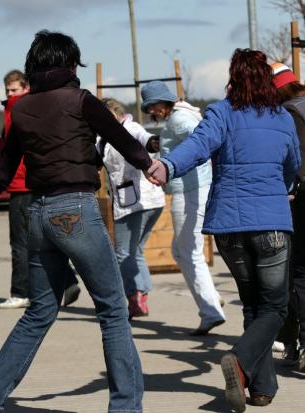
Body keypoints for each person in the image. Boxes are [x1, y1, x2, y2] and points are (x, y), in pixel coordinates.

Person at [0, 30, 153, 413]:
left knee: (39, 311)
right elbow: (121, 138)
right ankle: (125, 407)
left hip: (37, 214)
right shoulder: (81, 100)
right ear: (69, 63)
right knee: (113, 309)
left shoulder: (20, 109)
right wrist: (150, 165)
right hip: (76, 210)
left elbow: (3, 170)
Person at [147, 48, 301, 411]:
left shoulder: (221, 113)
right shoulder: (282, 117)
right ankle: (239, 358)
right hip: (271, 224)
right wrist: (286, 189)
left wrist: (167, 166)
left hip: (229, 228)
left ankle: (261, 389)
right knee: (275, 308)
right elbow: (292, 165)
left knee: (252, 305)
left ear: (233, 78)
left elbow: (197, 148)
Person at [0, 69, 80, 309]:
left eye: (14, 90)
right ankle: (68, 281)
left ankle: (21, 292)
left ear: (26, 88)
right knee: (44, 238)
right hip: (35, 182)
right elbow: (1, 148)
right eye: (7, 90)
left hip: (23, 184)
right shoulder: (24, 109)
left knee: (21, 242)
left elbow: (7, 151)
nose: (10, 94)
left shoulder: (19, 110)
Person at [141, 80, 226, 335]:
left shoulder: (179, 120)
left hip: (189, 190)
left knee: (188, 251)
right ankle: (211, 297)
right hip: (193, 187)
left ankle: (211, 310)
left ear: (164, 101)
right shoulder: (182, 115)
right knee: (180, 250)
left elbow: (202, 142)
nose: (152, 112)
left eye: (153, 106)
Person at [98, 98, 165, 317]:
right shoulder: (101, 138)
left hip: (137, 201)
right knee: (135, 250)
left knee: (123, 252)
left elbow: (144, 139)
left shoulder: (130, 127)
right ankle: (141, 296)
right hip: (143, 199)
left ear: (116, 113)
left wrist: (154, 142)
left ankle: (134, 295)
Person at [270, 62, 305, 371]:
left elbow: (292, 158)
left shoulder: (290, 115)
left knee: (298, 274)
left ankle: (301, 343)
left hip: (301, 197)